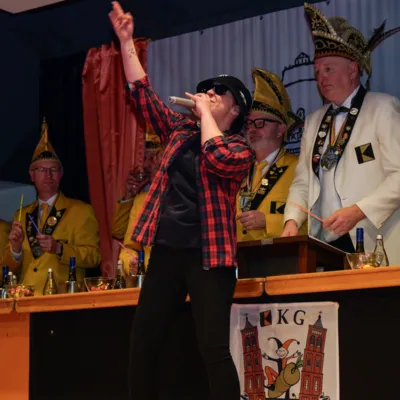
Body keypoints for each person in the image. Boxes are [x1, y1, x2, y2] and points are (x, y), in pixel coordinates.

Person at [109, 2, 255, 399]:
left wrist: (205, 115)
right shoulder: (178, 130)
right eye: (206, 90)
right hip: (167, 251)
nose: (209, 94)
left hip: (209, 257)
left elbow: (217, 156)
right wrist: (126, 41)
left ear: (236, 109)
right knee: (144, 344)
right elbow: (142, 94)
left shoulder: (241, 148)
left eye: (219, 92)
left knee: (213, 349)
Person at [282, 3, 400, 260]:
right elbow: (302, 181)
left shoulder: (383, 108)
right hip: (324, 244)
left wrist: (358, 210)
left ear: (352, 69)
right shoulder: (313, 121)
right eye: (317, 72)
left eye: (328, 69)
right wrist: (291, 221)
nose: (321, 78)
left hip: (372, 238)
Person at [1, 119, 101, 295]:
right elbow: (8, 270)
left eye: (53, 170)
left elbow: (94, 257)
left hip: (62, 297)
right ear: (32, 176)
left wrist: (59, 249)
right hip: (27, 296)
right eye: (41, 170)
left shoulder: (80, 210)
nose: (48, 175)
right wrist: (15, 250)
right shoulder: (21, 214)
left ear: (61, 174)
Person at [237, 67, 307, 241]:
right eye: (249, 123)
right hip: (239, 254)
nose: (253, 129)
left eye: (260, 122)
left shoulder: (299, 167)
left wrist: (268, 221)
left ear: (281, 129)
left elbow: (314, 219)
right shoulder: (239, 168)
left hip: (281, 253)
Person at [118, 141, 165, 275]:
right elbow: (128, 247)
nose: (149, 168)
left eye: (160, 166)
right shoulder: (142, 200)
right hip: (150, 278)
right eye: (154, 165)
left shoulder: (193, 198)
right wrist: (130, 263)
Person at [111, 129, 163, 241]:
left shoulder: (176, 198)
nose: (146, 165)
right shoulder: (142, 196)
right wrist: (129, 196)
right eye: (145, 158)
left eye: (151, 160)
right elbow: (118, 232)